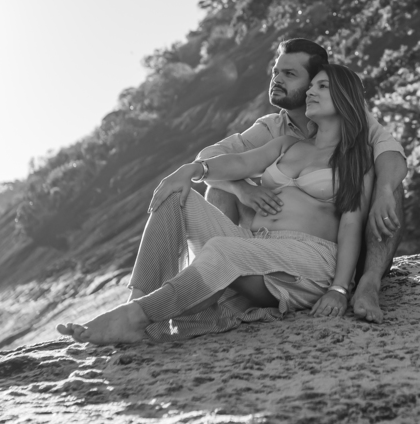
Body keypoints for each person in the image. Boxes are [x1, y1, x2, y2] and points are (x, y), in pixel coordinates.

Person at [57, 64, 373, 344]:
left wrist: (340, 289)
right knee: (175, 196)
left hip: (310, 259)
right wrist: (193, 170)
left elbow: (350, 226)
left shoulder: (356, 158)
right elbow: (239, 163)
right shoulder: (288, 143)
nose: (311, 92)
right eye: (312, 85)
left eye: (322, 86)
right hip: (256, 246)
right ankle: (136, 300)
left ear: (344, 98)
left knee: (223, 249)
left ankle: (138, 317)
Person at [198, 38, 408, 322]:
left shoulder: (350, 116)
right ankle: (213, 283)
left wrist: (383, 189)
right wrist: (242, 189)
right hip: (270, 240)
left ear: (316, 80)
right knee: (218, 190)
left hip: (327, 246)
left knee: (392, 184)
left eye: (290, 74)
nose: (277, 80)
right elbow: (211, 157)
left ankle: (369, 283)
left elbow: (392, 152)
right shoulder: (272, 127)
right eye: (276, 72)